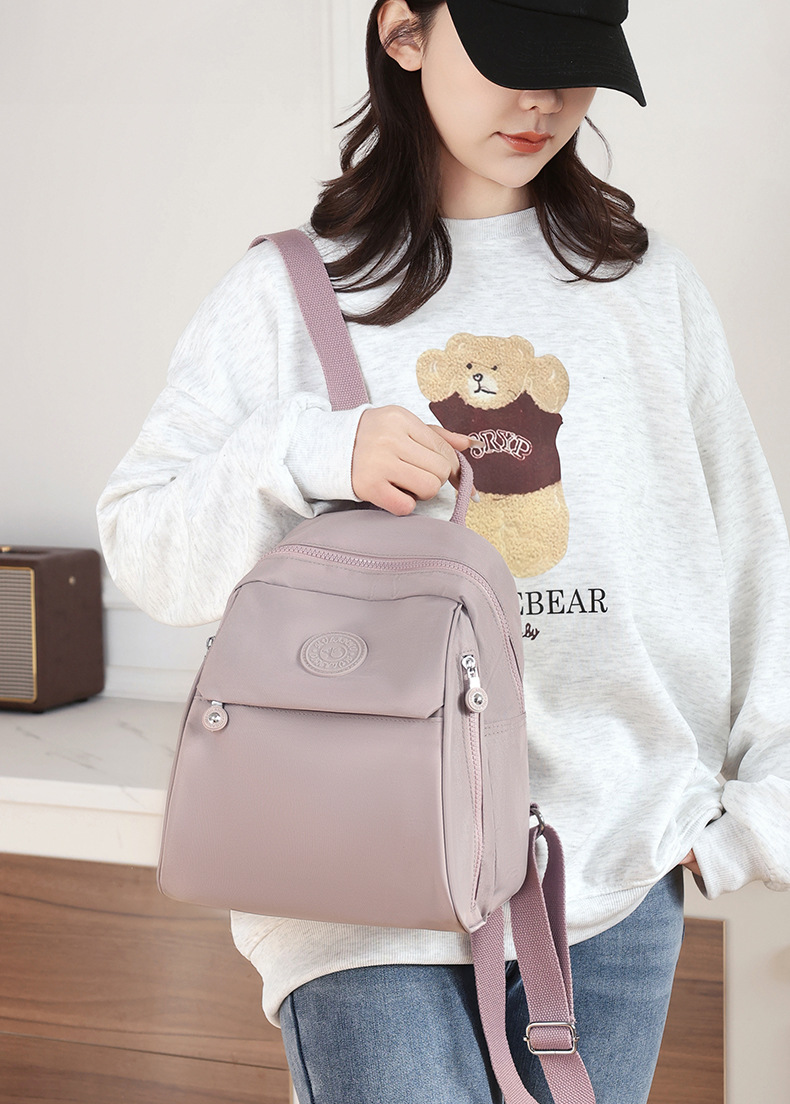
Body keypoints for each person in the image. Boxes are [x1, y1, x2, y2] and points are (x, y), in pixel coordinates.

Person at [97, 2, 790, 1101]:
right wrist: (309, 452)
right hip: (359, 883)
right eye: (513, 60)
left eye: (573, 67)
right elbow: (141, 541)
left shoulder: (648, 287)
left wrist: (759, 813)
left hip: (614, 875)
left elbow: (749, 553)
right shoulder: (289, 294)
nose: (543, 101)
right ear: (403, 34)